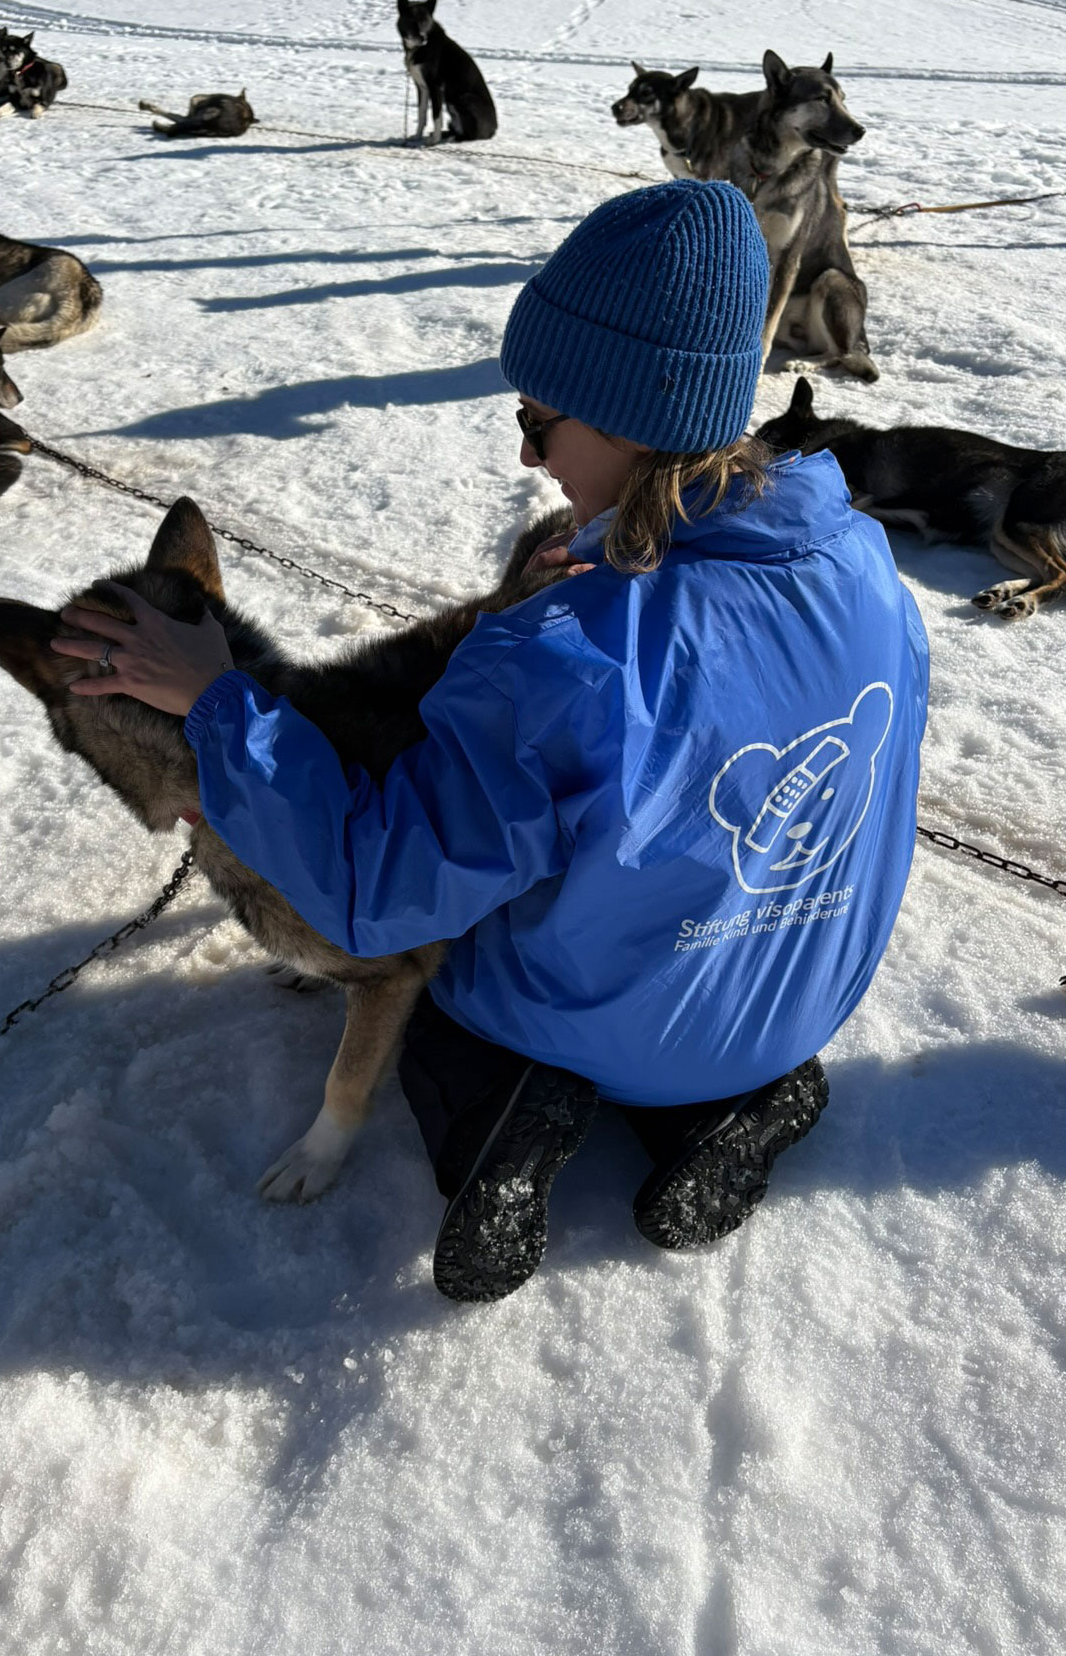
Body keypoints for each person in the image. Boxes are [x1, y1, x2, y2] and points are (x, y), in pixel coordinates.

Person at [53, 181, 929, 1304]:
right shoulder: (860, 559)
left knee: (438, 958)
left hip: (618, 1019)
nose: (528, 457)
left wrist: (224, 704)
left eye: (537, 419)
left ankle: (502, 1117)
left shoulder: (564, 649)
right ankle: (744, 1101)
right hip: (804, 994)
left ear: (623, 414)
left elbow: (377, 893)